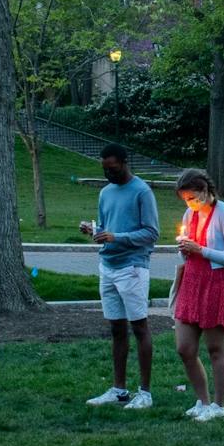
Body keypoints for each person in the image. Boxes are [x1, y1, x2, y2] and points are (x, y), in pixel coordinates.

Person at [81, 144, 160, 409]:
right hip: (108, 264)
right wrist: (94, 230)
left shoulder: (142, 191)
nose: (108, 174)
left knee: (139, 326)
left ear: (125, 163)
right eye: (104, 169)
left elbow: (151, 233)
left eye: (112, 169)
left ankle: (145, 392)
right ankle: (119, 389)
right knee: (116, 327)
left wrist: (117, 237)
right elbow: (106, 227)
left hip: (133, 266)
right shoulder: (105, 193)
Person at [170, 169, 224, 420]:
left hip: (217, 282)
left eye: (192, 196)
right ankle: (202, 400)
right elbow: (189, 250)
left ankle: (218, 406)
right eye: (186, 199)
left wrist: (201, 250)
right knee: (184, 347)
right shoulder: (190, 214)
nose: (190, 203)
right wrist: (185, 250)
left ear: (205, 190)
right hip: (192, 279)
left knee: (214, 347)